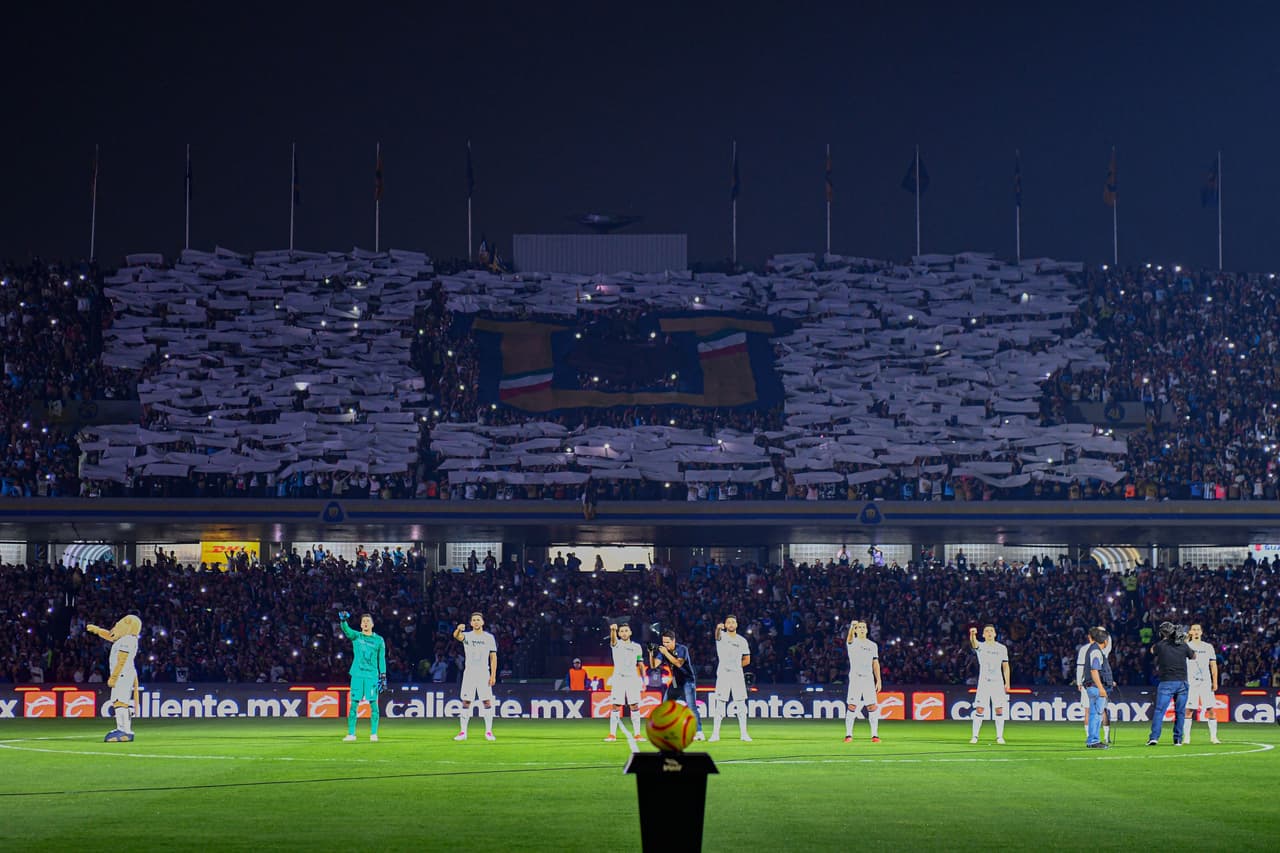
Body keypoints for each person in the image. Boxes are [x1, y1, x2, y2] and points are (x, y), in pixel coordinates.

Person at [86, 615, 141, 743]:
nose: (116, 627)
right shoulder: (124, 639)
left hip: (122, 674)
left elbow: (122, 659)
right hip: (123, 673)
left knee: (120, 702)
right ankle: (124, 729)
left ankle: (124, 730)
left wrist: (114, 677)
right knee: (120, 702)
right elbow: (111, 636)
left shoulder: (128, 639)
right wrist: (98, 630)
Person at [338, 611, 386, 742]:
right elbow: (347, 630)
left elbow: (381, 659)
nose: (365, 623)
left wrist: (383, 676)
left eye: (368, 621)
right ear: (360, 625)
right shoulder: (357, 636)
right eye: (363, 621)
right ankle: (351, 734)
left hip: (372, 676)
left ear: (372, 624)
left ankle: (374, 734)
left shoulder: (379, 640)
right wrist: (343, 621)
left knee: (374, 705)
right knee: (354, 705)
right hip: (357, 675)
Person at [650, 629, 704, 740]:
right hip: (675, 681)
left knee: (691, 706)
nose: (665, 644)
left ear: (673, 641)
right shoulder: (663, 651)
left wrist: (665, 653)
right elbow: (654, 665)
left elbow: (678, 663)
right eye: (663, 642)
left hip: (687, 680)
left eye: (667, 642)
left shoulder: (682, 649)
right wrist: (650, 653)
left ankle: (699, 732)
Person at [1147, 621, 1195, 746]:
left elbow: (1151, 650)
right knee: (1180, 712)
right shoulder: (1183, 645)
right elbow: (1193, 656)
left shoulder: (1161, 645)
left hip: (1167, 682)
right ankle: (1178, 739)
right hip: (1182, 682)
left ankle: (1154, 738)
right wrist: (1184, 640)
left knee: (1159, 711)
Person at [453, 613, 498, 741]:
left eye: (478, 619)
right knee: (466, 701)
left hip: (484, 673)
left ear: (482, 622)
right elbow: (456, 636)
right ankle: (463, 732)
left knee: (487, 701)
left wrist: (493, 675)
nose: (476, 622)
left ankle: (488, 732)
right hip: (470, 673)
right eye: (474, 620)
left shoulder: (489, 638)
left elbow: (493, 657)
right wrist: (458, 629)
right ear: (471, 623)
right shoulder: (467, 636)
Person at [709, 615, 752, 742]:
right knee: (720, 704)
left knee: (741, 704)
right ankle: (715, 734)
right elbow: (717, 635)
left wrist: (736, 666)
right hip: (723, 674)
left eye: (733, 622)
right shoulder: (722, 636)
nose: (731, 624)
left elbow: (747, 660)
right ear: (725, 625)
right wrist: (718, 628)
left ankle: (744, 734)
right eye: (728, 622)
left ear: (736, 624)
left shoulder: (742, 640)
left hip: (737, 675)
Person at [968, 625, 1010, 744]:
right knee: (980, 709)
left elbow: (1005, 666)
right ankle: (975, 736)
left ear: (995, 634)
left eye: (991, 631)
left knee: (999, 709)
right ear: (983, 635)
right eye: (987, 631)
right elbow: (974, 643)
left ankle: (999, 737)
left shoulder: (1002, 648)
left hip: (997, 682)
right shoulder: (981, 646)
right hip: (984, 682)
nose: (989, 633)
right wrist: (972, 634)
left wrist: (1007, 682)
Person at [604, 622, 645, 743]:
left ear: (630, 632)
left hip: (632, 678)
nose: (624, 633)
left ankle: (637, 734)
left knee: (634, 705)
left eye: (626, 630)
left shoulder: (637, 647)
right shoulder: (616, 644)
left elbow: (640, 664)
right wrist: (612, 630)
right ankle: (612, 734)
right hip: (619, 678)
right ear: (618, 633)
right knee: (616, 705)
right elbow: (613, 641)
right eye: (621, 631)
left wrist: (644, 679)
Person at [844, 620, 882, 743]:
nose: (861, 629)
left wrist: (878, 680)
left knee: (872, 706)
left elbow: (875, 663)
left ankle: (875, 735)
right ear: (856, 630)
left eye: (863, 627)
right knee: (852, 706)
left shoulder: (872, 645)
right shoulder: (852, 642)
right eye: (859, 627)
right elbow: (849, 638)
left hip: (868, 679)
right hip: (856, 678)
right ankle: (848, 735)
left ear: (866, 630)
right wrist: (851, 627)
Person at [1183, 623, 1221, 744]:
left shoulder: (1208, 647)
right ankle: (1186, 738)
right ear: (1190, 632)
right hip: (1191, 682)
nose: (1196, 631)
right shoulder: (1186, 646)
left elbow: (1213, 665)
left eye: (1198, 629)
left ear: (1201, 632)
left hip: (1206, 682)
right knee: (1189, 710)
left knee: (1211, 709)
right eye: (1193, 629)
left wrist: (1215, 681)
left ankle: (1214, 737)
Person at [1075, 625, 1112, 745]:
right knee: (1096, 714)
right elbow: (1094, 670)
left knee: (1093, 714)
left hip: (1091, 686)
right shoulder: (1096, 651)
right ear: (1105, 641)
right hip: (1096, 687)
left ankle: (1092, 739)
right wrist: (1101, 687)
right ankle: (1094, 740)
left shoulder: (1091, 649)